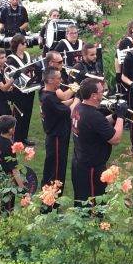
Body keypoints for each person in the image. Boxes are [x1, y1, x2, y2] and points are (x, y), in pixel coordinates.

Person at [71, 78, 125, 205]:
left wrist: (114, 116)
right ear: (94, 96)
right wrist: (121, 117)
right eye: (102, 91)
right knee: (94, 206)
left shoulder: (79, 107)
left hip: (80, 163)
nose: (104, 93)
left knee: (81, 201)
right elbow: (115, 139)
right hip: (92, 168)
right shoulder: (93, 116)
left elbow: (99, 124)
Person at [40, 68, 77, 196]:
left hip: (59, 136)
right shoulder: (48, 98)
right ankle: (50, 203)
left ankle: (53, 200)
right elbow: (69, 111)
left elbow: (62, 104)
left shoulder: (49, 95)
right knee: (55, 171)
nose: (61, 80)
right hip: (56, 138)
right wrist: (77, 98)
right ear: (50, 80)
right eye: (58, 78)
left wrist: (72, 99)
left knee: (58, 169)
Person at [0, 115, 28, 214]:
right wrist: (22, 188)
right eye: (14, 127)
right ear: (11, 130)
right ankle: (5, 225)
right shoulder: (10, 147)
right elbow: (15, 170)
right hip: (7, 181)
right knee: (7, 207)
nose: (15, 128)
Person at [6, 33, 37, 143]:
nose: (26, 45)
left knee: (27, 113)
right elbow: (8, 75)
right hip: (18, 91)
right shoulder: (11, 59)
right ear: (17, 45)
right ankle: (15, 138)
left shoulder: (27, 55)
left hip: (29, 88)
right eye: (23, 43)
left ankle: (24, 136)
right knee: (18, 114)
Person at [114, 20, 133, 94]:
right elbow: (117, 58)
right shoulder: (125, 42)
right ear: (132, 29)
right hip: (129, 73)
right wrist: (118, 74)